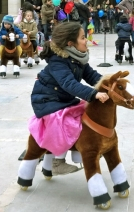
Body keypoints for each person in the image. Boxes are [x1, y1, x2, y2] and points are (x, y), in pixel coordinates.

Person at [19, 22, 108, 177]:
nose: (86, 40)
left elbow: (92, 76)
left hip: (62, 99)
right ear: (70, 43)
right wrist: (94, 94)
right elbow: (69, 84)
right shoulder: (58, 61)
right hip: (47, 100)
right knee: (66, 123)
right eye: (82, 37)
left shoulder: (77, 58)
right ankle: (56, 162)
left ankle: (76, 153)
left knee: (86, 115)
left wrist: (110, 84)